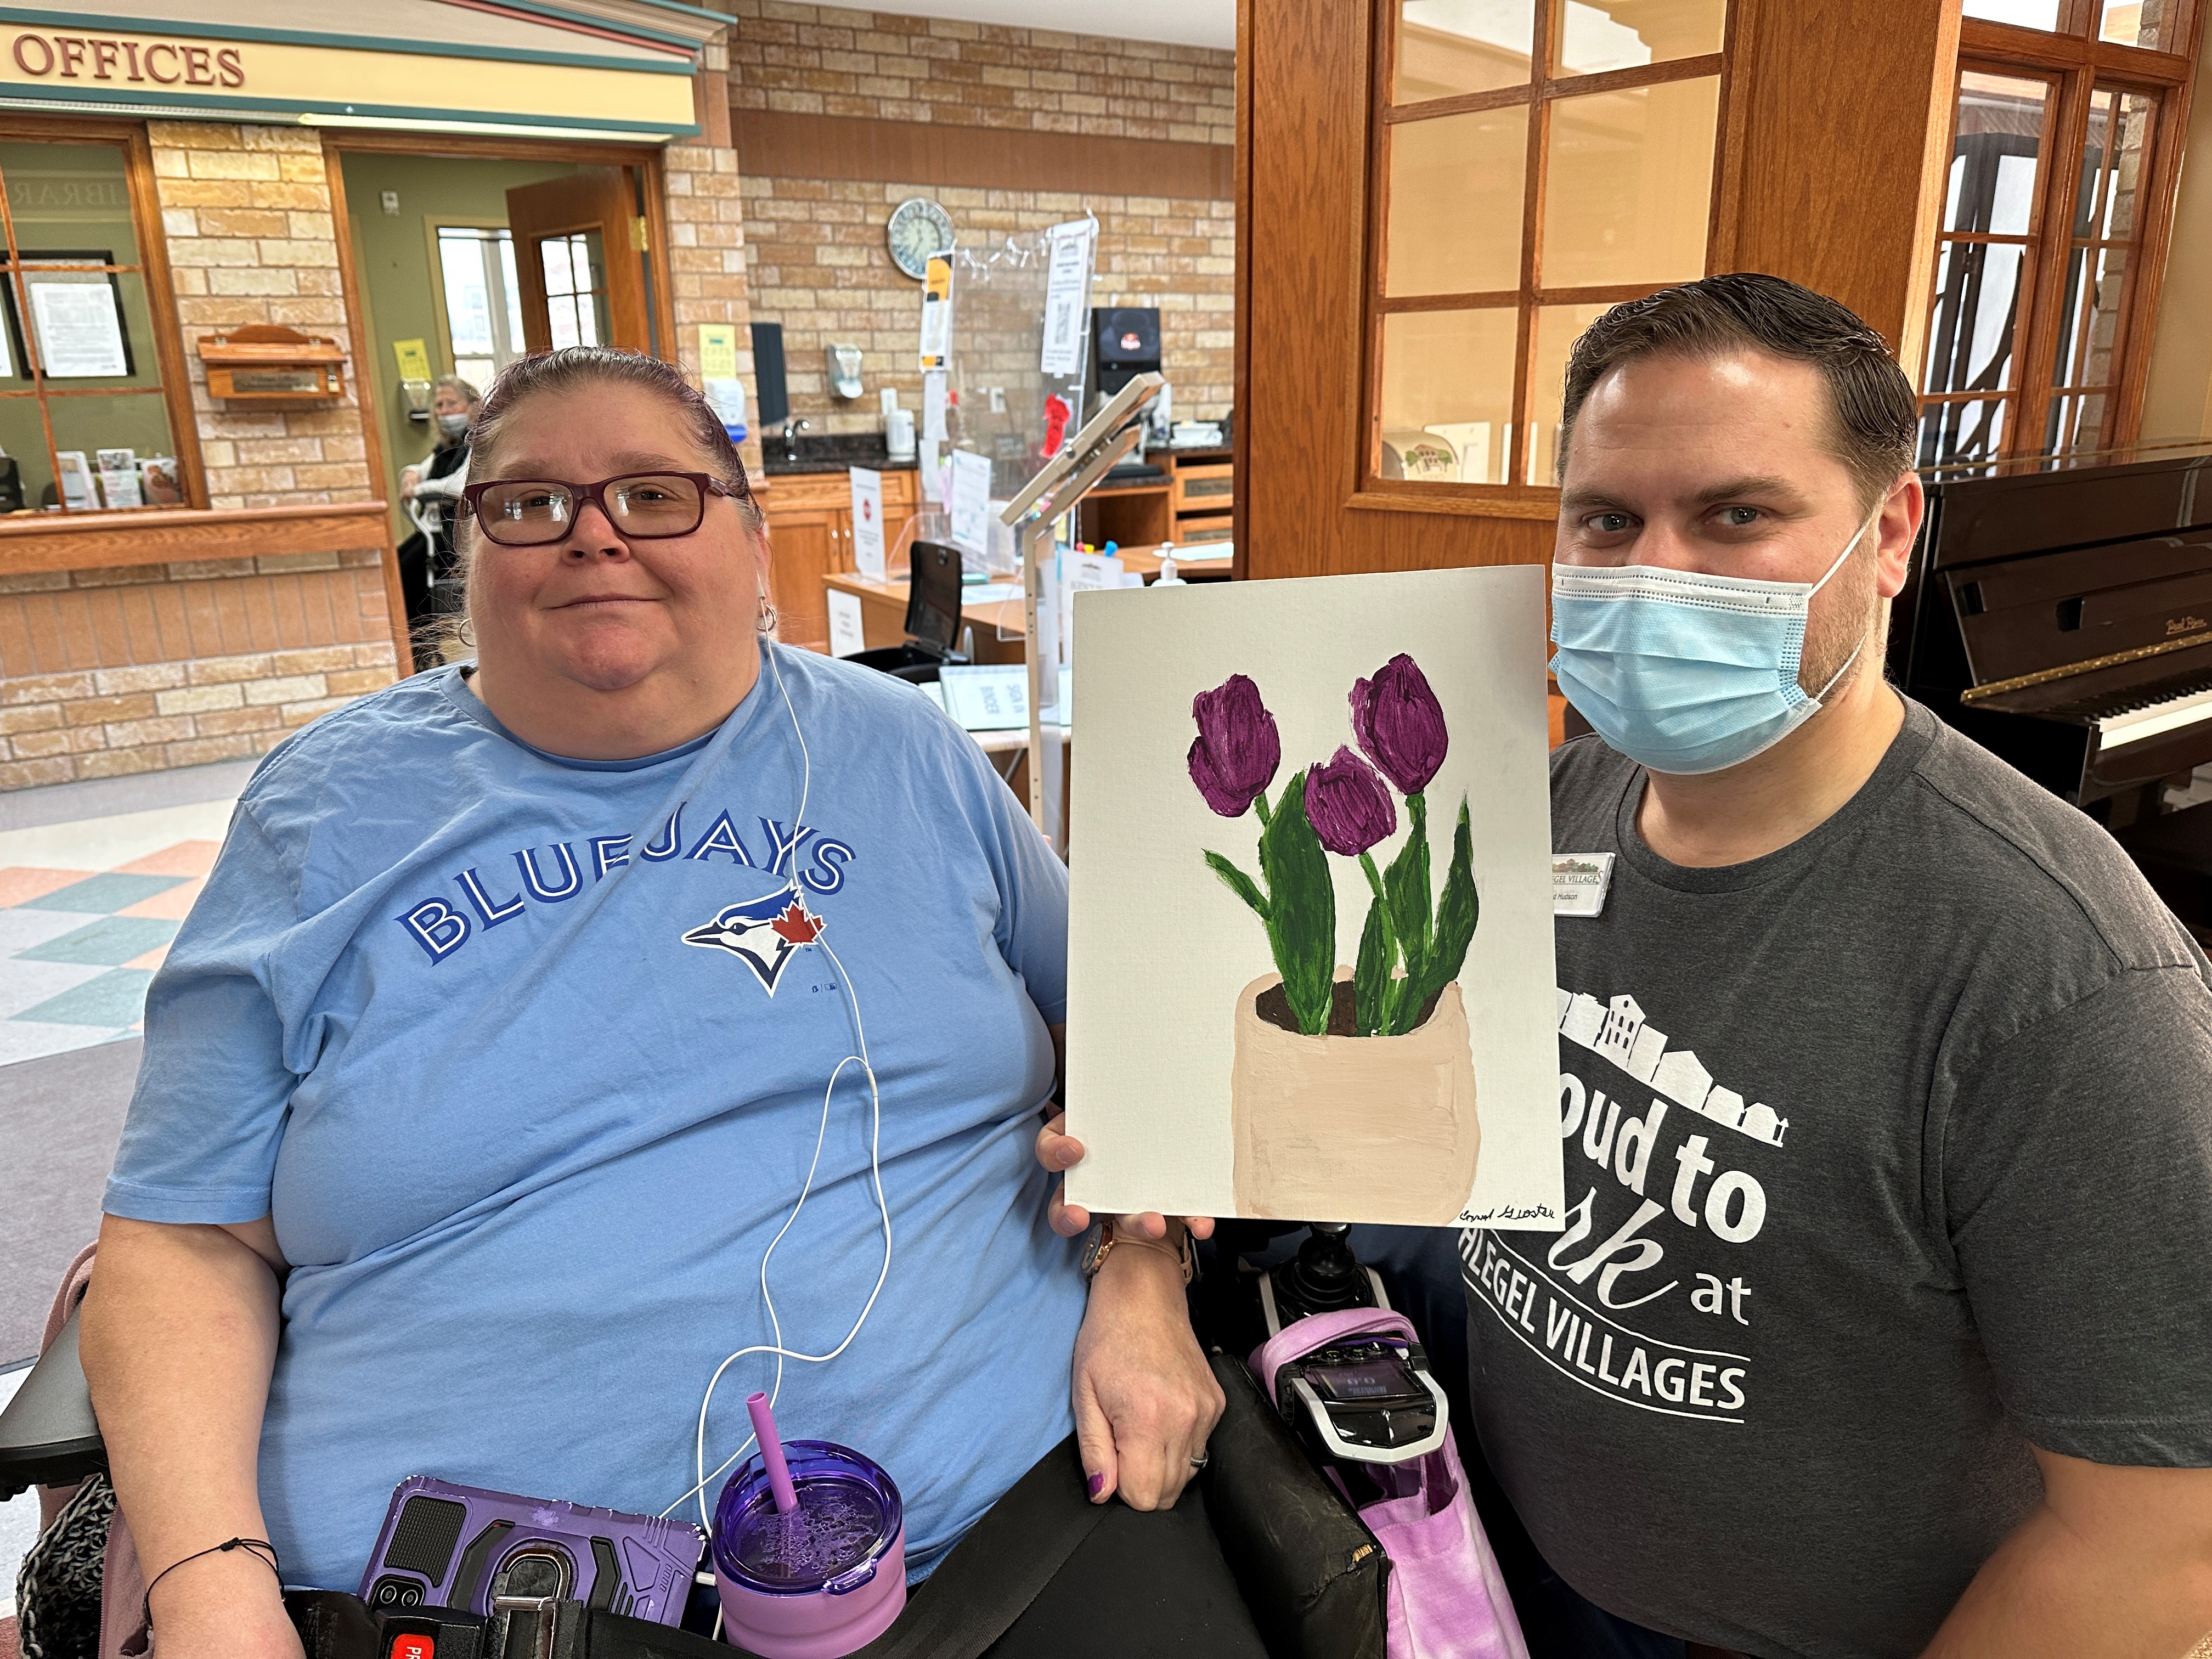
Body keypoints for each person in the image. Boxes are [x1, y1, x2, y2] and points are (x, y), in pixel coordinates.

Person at [80, 346, 1253, 1659]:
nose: (592, 537)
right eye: (528, 503)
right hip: (470, 1605)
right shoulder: (325, 814)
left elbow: (1134, 1020)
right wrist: (210, 1589)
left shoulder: (904, 751)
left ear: (755, 543)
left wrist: (1142, 1267)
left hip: (1018, 1529)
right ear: (465, 554)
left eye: (654, 495)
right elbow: (180, 1241)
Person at [1459, 274, 2212, 1658]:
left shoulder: (2064, 984)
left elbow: (2162, 1545)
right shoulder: (1555, 801)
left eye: (1737, 516)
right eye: (1607, 520)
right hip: (1490, 1558)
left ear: (1890, 534)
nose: (1653, 573)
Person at [394, 375, 479, 672]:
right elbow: (421, 468)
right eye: (439, 405)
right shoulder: (444, 449)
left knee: (410, 570)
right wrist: (411, 474)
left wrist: (417, 490)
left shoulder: (478, 444)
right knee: (396, 563)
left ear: (472, 407)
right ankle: (414, 650)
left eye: (451, 403)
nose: (443, 411)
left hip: (460, 534)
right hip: (435, 530)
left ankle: (420, 649)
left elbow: (460, 484)